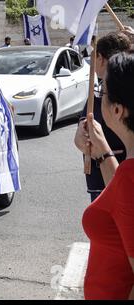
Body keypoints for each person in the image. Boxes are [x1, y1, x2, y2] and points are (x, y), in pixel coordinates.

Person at [82, 51, 134, 300]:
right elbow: (125, 207)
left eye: (101, 91)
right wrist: (102, 150)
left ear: (116, 110)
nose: (97, 97)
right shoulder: (127, 174)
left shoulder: (129, 177)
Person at [74, 32, 131, 202]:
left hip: (114, 184)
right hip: (100, 181)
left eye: (105, 93)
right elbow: (85, 125)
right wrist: (82, 132)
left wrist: (103, 153)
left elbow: (123, 199)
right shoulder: (97, 90)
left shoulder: (121, 93)